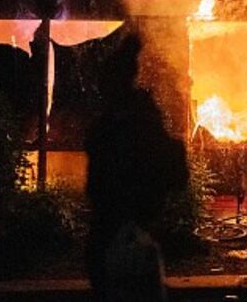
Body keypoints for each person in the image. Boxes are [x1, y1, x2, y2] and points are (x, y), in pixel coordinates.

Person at [85, 33, 188, 301]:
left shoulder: (120, 123)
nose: (100, 87)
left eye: (105, 80)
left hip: (120, 221)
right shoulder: (140, 116)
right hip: (132, 221)